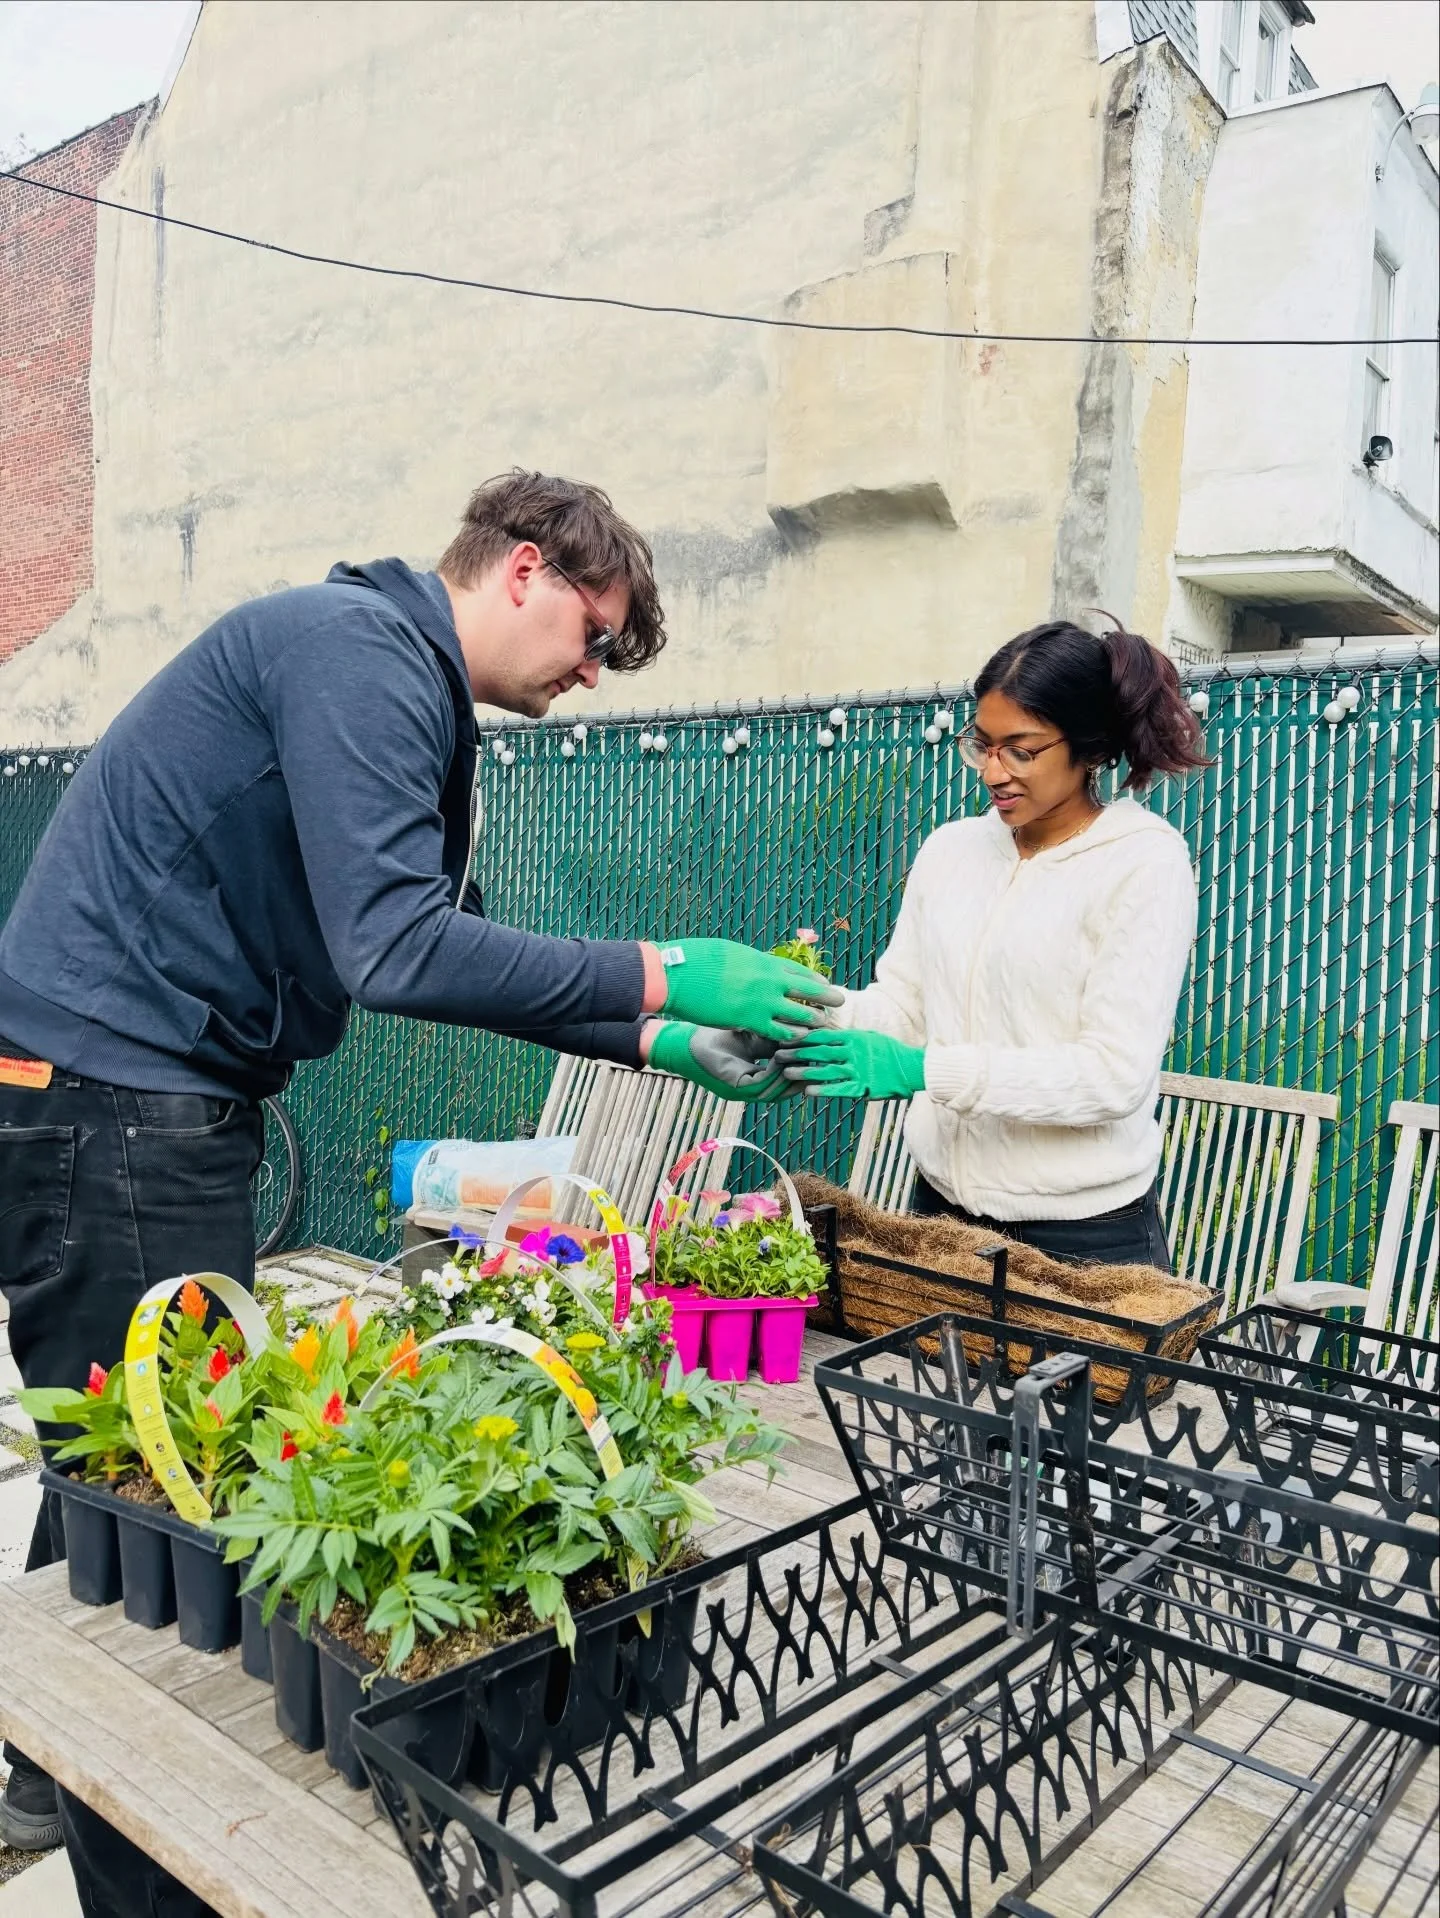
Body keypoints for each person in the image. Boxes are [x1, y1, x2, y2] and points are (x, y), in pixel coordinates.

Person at [0, 470, 833, 1912]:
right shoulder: (357, 653)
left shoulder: (379, 669)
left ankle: (30, 1781)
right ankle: (136, 1872)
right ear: (522, 566)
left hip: (117, 1109)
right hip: (115, 1115)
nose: (593, 670)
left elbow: (439, 940)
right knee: (169, 1505)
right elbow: (394, 948)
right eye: (594, 630)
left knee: (120, 1479)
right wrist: (659, 964)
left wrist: (654, 1036)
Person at [782, 619, 1208, 1271]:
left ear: (1090, 749)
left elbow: (1112, 1075)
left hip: (1081, 1243)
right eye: (981, 744)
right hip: (939, 1215)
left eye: (1021, 750)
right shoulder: (950, 851)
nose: (992, 770)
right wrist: (793, 1006)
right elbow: (904, 1011)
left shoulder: (1144, 864)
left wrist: (928, 1071)